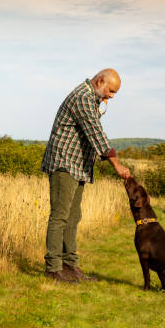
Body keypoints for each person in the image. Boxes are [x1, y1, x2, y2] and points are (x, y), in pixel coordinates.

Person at [41, 68, 131, 284]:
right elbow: (96, 133)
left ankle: (70, 266)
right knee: (60, 217)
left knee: (73, 218)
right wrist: (116, 165)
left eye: (115, 93)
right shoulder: (82, 98)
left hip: (78, 166)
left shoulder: (92, 99)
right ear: (100, 82)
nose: (112, 96)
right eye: (111, 91)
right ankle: (53, 268)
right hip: (64, 163)